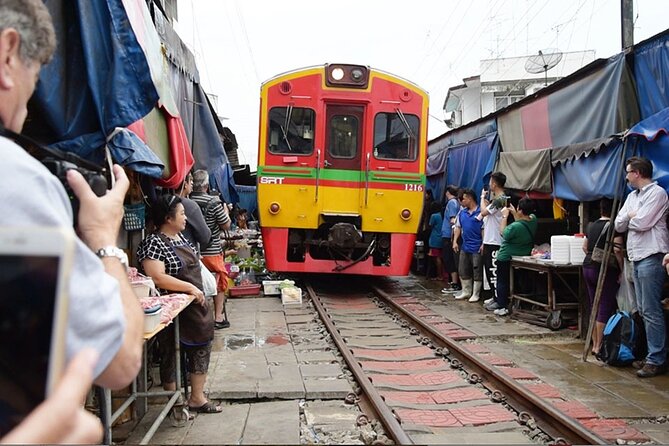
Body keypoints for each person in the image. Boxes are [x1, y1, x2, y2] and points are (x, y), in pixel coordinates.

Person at [0, 1, 143, 440]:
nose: (27, 110)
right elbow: (120, 360)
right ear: (8, 56)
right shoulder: (15, 178)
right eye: (36, 79)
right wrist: (104, 240)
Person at [137, 195, 221, 413]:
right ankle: (175, 403)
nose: (186, 218)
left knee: (201, 349)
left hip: (196, 308)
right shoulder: (153, 243)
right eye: (182, 214)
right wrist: (189, 288)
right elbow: (157, 276)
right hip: (172, 310)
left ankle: (197, 398)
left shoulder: (181, 238)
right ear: (168, 218)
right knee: (171, 354)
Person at [614, 156, 669, 378]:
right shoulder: (631, 197)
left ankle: (656, 359)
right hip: (635, 256)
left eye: (628, 172)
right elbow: (618, 224)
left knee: (651, 309)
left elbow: (642, 223)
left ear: (637, 173)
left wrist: (630, 219)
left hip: (651, 255)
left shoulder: (657, 194)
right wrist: (629, 215)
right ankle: (651, 354)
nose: (626, 176)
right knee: (643, 310)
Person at [582, 198, 624, 358]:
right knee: (605, 306)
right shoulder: (614, 226)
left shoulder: (591, 225)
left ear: (600, 209)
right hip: (604, 270)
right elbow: (618, 250)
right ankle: (599, 346)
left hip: (588, 266)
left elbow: (584, 247)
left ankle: (593, 344)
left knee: (594, 305)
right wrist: (621, 269)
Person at [191, 170, 232, 329]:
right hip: (212, 250)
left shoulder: (187, 200)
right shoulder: (214, 201)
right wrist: (226, 213)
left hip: (193, 250)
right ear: (207, 186)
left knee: (197, 283)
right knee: (219, 282)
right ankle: (218, 317)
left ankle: (200, 317)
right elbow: (225, 225)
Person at [492, 198, 538, 316]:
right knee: (519, 281)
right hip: (522, 256)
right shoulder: (533, 220)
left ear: (520, 210)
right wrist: (514, 213)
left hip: (506, 256)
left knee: (502, 281)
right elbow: (523, 222)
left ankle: (502, 306)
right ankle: (521, 304)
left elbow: (503, 233)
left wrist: (504, 216)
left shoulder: (514, 227)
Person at [479, 172, 507, 310]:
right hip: (490, 239)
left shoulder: (501, 199)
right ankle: (494, 297)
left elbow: (483, 212)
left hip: (496, 241)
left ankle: (499, 300)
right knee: (490, 271)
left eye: (491, 181)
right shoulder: (497, 199)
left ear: (494, 183)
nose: (489, 184)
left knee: (494, 272)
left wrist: (482, 198)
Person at [452, 189, 484, 302]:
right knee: (463, 269)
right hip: (465, 246)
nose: (461, 201)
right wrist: (455, 241)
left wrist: (483, 243)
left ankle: (476, 293)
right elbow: (458, 227)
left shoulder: (481, 212)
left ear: (470, 198)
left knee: (477, 270)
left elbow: (483, 229)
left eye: (463, 199)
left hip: (477, 246)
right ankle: (466, 291)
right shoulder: (462, 213)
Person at [176, 172, 211, 254]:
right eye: (190, 179)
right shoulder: (189, 205)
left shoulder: (164, 201)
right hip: (187, 254)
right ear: (185, 184)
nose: (192, 182)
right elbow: (205, 236)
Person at [440, 185, 461, 293]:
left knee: (449, 259)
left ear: (447, 192)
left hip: (449, 235)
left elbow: (453, 220)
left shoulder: (451, 203)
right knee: (450, 259)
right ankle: (454, 282)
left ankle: (454, 283)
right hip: (449, 235)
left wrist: (453, 238)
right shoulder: (456, 202)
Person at [426, 201, 444, 281]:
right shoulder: (442, 215)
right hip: (441, 238)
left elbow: (430, 225)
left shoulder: (434, 216)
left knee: (436, 258)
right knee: (440, 257)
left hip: (434, 239)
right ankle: (443, 274)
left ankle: (439, 275)